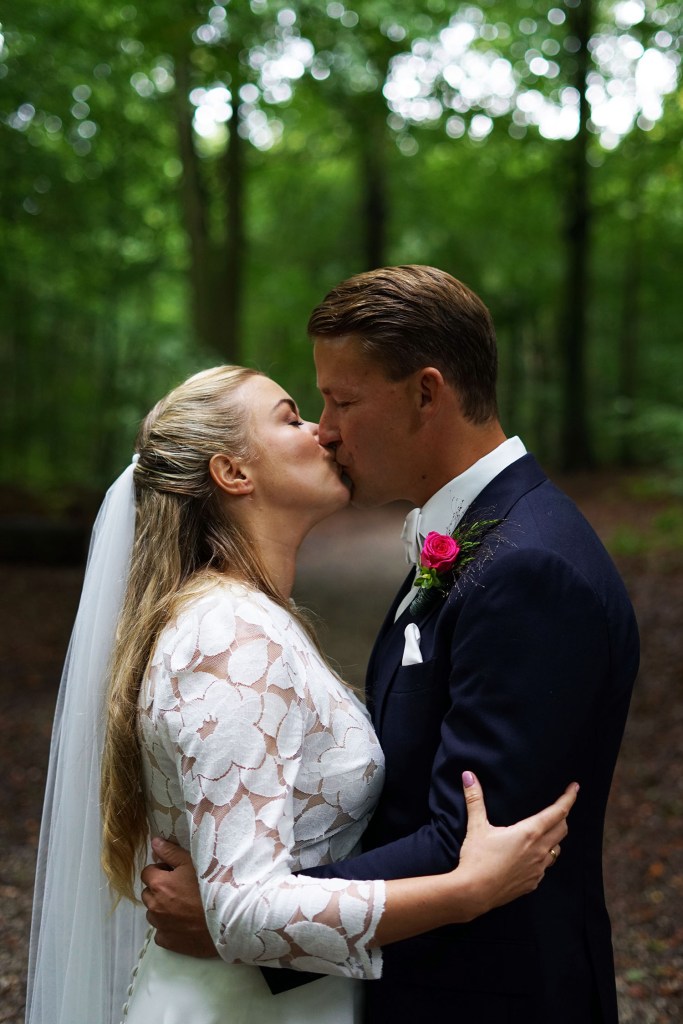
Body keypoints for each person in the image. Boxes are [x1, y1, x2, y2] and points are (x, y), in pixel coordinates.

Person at [142, 268, 639, 1024]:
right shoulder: (471, 542)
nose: (326, 429)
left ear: (425, 394)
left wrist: (232, 924)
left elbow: (466, 840)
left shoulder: (529, 568)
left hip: (490, 1000)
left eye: (341, 400)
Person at [26, 364, 576, 1024]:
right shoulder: (229, 638)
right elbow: (242, 911)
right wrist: (466, 891)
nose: (323, 431)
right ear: (233, 472)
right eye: (291, 418)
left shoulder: (247, 616)